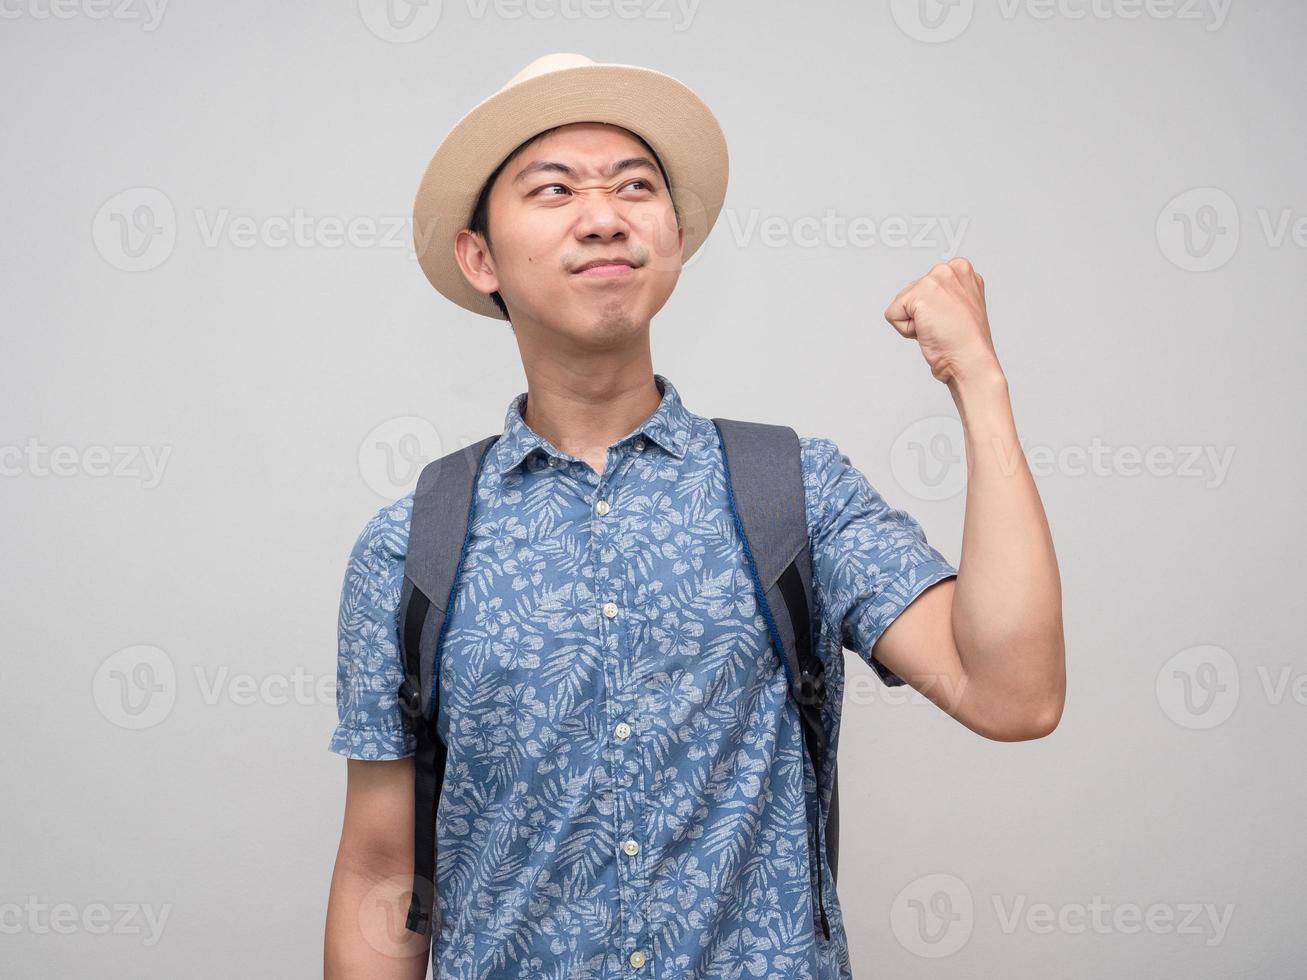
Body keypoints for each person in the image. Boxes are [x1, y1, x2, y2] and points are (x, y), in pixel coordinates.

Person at [323, 52, 1065, 980]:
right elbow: (382, 871)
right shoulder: (409, 547)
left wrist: (980, 387)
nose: (604, 214)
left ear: (673, 233)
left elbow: (1013, 694)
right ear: (479, 257)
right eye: (552, 189)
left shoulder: (792, 492)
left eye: (636, 186)